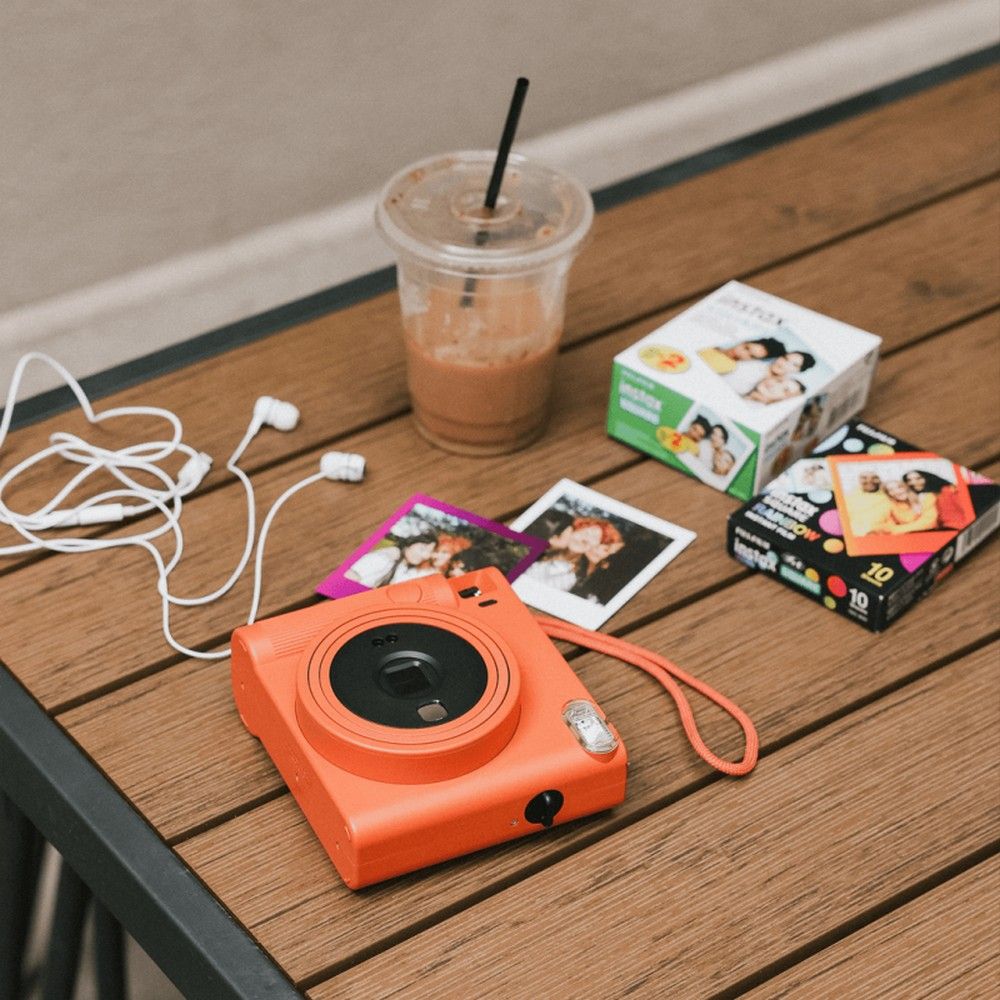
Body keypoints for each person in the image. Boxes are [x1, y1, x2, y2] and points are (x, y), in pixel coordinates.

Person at [346, 532, 438, 588]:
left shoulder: (402, 567)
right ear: (410, 543)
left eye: (430, 552)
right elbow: (349, 576)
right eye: (423, 548)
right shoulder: (384, 559)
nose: (426, 556)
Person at [700, 337, 787, 395]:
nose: (741, 354)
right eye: (746, 348)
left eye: (751, 356)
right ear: (744, 342)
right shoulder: (712, 343)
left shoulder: (728, 366)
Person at [903, 469, 968, 530]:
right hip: (941, 529)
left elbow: (966, 509)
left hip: (958, 527)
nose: (913, 482)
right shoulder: (920, 496)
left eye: (918, 478)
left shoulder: (948, 490)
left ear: (928, 478)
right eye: (909, 480)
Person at [872, 480, 939, 534]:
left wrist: (896, 529)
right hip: (909, 537)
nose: (897, 491)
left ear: (906, 487)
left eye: (899, 487)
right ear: (888, 494)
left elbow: (930, 522)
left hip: (931, 534)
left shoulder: (926, 497)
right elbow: (878, 525)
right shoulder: (891, 504)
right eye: (891, 490)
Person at [844, 471, 890, 535]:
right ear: (859, 481)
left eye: (874, 478)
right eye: (864, 478)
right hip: (856, 534)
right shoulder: (849, 497)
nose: (869, 481)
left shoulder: (889, 496)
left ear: (880, 480)